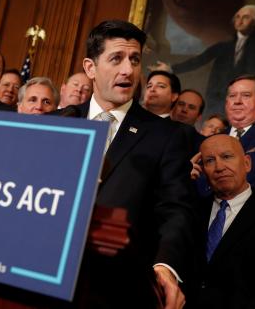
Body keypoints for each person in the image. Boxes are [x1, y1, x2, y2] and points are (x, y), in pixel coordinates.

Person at [57, 20, 195, 309]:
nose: (128, 70)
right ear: (90, 67)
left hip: (119, 287)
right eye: (116, 59)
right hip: (48, 274)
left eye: (134, 60)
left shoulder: (166, 136)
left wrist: (166, 266)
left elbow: (175, 211)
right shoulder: (58, 122)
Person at [192, 134, 255, 308]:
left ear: (247, 163)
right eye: (210, 161)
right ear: (202, 170)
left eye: (227, 157)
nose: (219, 167)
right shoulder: (190, 212)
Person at [150, 5, 255, 115]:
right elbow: (199, 60)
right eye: (237, 17)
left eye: (246, 17)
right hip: (218, 101)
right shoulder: (224, 47)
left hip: (247, 104)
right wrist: (171, 69)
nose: (240, 21)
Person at [191, 75, 255, 199]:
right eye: (232, 96)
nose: (237, 101)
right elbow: (199, 183)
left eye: (246, 95)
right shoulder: (210, 141)